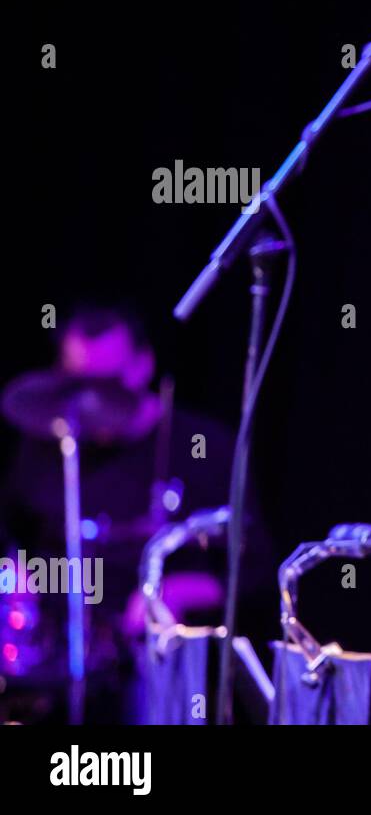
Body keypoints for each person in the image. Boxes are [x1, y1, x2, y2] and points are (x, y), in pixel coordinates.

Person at [0, 302, 272, 722]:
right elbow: (16, 545)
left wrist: (172, 593)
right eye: (78, 382)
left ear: (143, 366)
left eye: (109, 382)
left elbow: (252, 568)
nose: (92, 398)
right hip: (54, 662)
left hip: (163, 665)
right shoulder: (49, 446)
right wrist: (19, 582)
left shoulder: (205, 447)